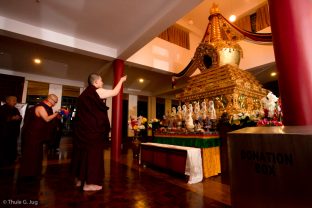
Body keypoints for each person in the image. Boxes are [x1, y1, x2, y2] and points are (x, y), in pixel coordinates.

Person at [72, 73, 127, 191]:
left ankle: (80, 180)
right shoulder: (96, 91)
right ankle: (90, 184)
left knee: (83, 155)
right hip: (92, 131)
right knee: (93, 156)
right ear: (95, 82)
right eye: (101, 81)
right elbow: (114, 92)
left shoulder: (84, 94)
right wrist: (121, 80)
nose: (102, 83)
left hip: (82, 131)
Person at [19, 94, 60, 178]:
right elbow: (47, 119)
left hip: (38, 136)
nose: (55, 103)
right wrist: (56, 113)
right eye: (55, 101)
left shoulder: (47, 107)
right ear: (49, 99)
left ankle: (35, 173)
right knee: (31, 155)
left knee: (37, 155)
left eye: (56, 102)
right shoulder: (41, 107)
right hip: (32, 135)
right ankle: (28, 174)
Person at [0, 96, 22, 167]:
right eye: (13, 100)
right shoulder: (2, 108)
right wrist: (11, 118)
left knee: (12, 146)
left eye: (16, 100)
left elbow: (19, 117)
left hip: (13, 132)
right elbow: (2, 119)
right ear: (7, 101)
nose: (15, 102)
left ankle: (11, 160)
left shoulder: (15, 109)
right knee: (3, 147)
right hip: (4, 132)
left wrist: (19, 117)